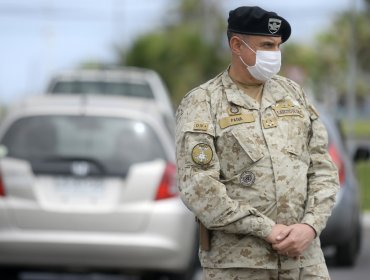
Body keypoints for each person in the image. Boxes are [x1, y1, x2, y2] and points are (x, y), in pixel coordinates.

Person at [175, 6, 339, 280]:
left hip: (304, 261)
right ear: (237, 45)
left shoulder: (293, 94)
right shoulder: (203, 102)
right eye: (266, 45)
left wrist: (309, 227)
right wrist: (266, 229)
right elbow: (198, 187)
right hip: (239, 265)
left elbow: (322, 168)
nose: (274, 54)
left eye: (277, 46)